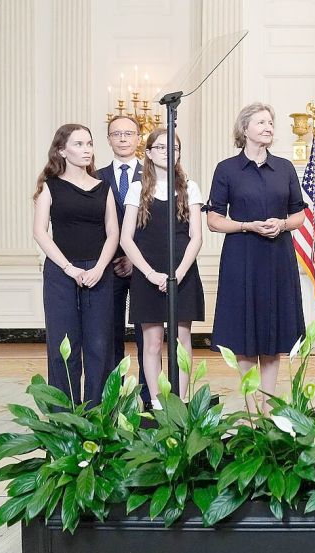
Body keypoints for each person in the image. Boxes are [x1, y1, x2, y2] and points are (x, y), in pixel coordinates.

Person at [207, 102, 308, 413]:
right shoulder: (226, 169)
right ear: (244, 129)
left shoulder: (286, 168)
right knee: (245, 332)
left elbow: (299, 215)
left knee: (273, 332)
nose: (268, 127)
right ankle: (253, 409)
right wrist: (246, 226)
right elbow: (213, 219)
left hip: (278, 257)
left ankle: (268, 407)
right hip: (242, 257)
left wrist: (283, 224)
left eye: (270, 123)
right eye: (261, 122)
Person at [32, 124, 119, 407]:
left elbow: (113, 232)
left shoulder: (103, 187)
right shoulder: (50, 186)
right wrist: (70, 269)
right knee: (63, 347)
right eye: (79, 144)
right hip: (61, 273)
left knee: (99, 346)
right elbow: (40, 232)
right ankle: (64, 417)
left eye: (90, 144)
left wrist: (99, 268)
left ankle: (98, 414)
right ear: (62, 150)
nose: (87, 150)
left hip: (98, 272)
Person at [120, 128, 204, 408]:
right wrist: (149, 273)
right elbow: (126, 238)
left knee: (181, 341)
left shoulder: (189, 188)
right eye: (160, 147)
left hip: (182, 272)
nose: (168, 152)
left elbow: (196, 237)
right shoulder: (137, 189)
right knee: (153, 342)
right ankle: (157, 402)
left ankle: (181, 400)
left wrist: (178, 273)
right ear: (149, 153)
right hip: (148, 274)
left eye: (174, 148)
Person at [97, 115, 148, 403]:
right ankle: (112, 398)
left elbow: (153, 225)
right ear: (108, 139)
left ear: (139, 138)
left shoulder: (154, 175)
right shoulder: (96, 176)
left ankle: (148, 396)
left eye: (129, 133)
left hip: (143, 267)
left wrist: (133, 257)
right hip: (108, 267)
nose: (123, 138)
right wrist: (115, 257)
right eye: (117, 134)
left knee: (148, 335)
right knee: (109, 333)